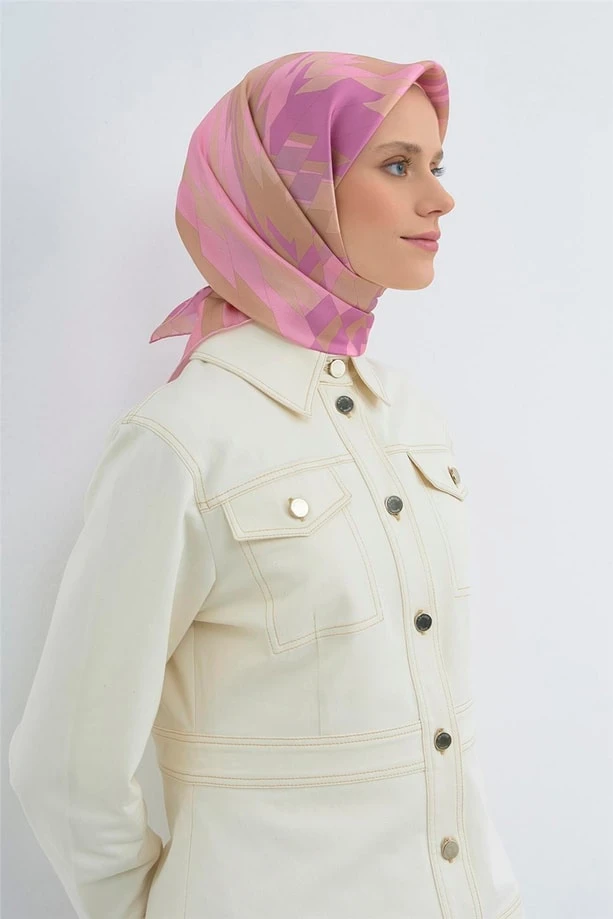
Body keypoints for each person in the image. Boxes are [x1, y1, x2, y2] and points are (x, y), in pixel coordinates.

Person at [8, 50, 525, 919]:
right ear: (294, 189)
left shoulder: (412, 418)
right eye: (397, 165)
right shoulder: (182, 440)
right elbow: (65, 766)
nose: (439, 198)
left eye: (436, 164)